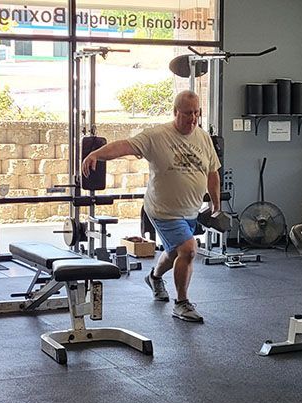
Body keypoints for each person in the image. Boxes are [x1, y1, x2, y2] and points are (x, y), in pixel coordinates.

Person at [81, 90, 221, 323]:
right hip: (162, 210)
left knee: (175, 252)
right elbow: (124, 146)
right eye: (187, 114)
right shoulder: (157, 136)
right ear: (175, 112)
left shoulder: (203, 138)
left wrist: (216, 206)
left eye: (196, 113)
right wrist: (96, 153)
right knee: (189, 249)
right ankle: (182, 303)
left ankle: (155, 277)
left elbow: (212, 173)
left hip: (190, 210)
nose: (193, 119)